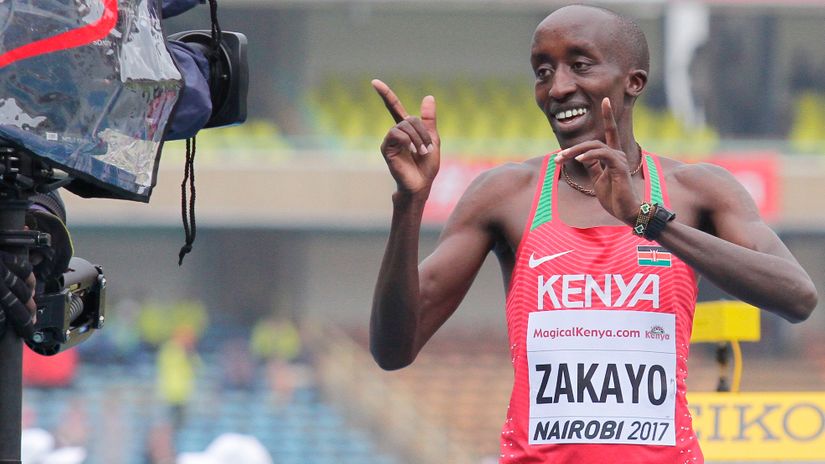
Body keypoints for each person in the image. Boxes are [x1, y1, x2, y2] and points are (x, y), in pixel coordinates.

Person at [369, 4, 818, 463]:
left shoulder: (697, 190)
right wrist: (409, 204)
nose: (558, 87)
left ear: (634, 81)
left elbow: (797, 297)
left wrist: (647, 220)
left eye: (580, 66)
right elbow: (393, 349)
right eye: (543, 71)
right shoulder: (506, 195)